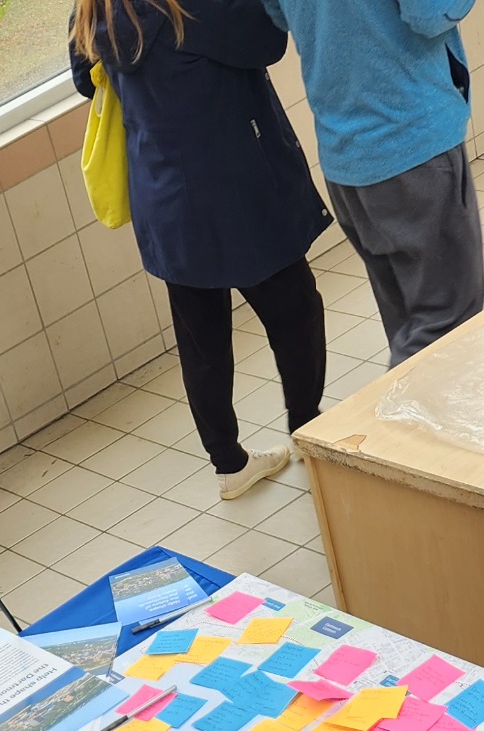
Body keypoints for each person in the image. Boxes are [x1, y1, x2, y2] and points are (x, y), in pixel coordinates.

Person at [69, 0, 331, 499]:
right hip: (235, 189)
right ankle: (307, 427)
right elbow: (268, 41)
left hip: (164, 195)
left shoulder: (94, 9)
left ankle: (228, 463)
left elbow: (86, 79)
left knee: (202, 342)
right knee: (294, 309)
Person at [261, 0, 482, 364]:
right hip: (411, 143)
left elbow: (276, 14)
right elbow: (429, 13)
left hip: (345, 157)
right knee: (446, 326)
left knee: (405, 319)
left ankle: (410, 411)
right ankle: (390, 417)